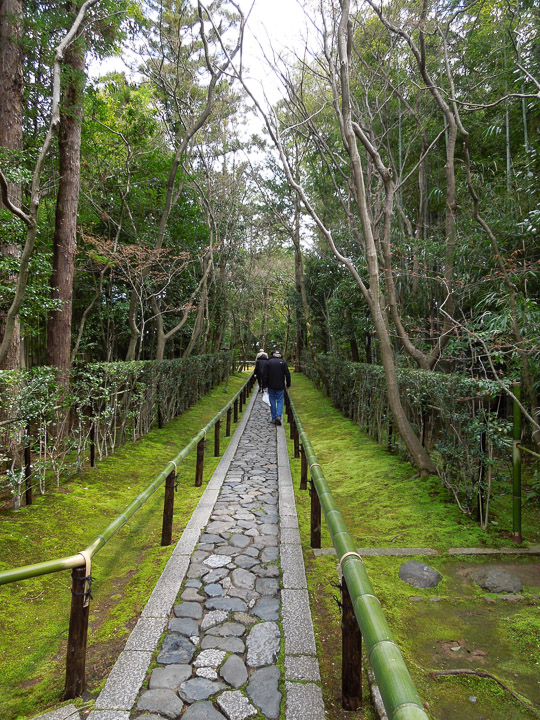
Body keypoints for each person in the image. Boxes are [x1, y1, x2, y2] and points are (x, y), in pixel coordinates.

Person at [263, 350, 291, 425]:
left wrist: (264, 386)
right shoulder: (283, 362)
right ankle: (278, 415)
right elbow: (287, 374)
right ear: (279, 355)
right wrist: (288, 384)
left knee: (272, 401)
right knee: (280, 401)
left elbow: (265, 375)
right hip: (280, 385)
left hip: (271, 385)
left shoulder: (268, 362)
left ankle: (274, 418)